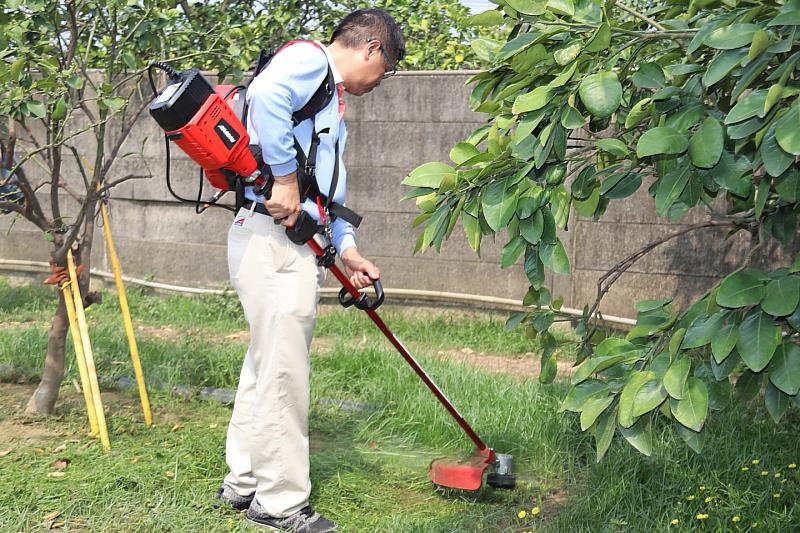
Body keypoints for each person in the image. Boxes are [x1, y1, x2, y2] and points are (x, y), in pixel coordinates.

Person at [216, 9, 405, 533]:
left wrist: (347, 248)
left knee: (265, 362)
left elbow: (327, 192)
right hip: (272, 241)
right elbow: (267, 96)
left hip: (283, 239)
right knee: (284, 370)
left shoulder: (329, 98)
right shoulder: (308, 62)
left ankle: (245, 480)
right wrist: (283, 179)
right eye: (386, 69)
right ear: (372, 48)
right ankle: (279, 504)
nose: (381, 80)